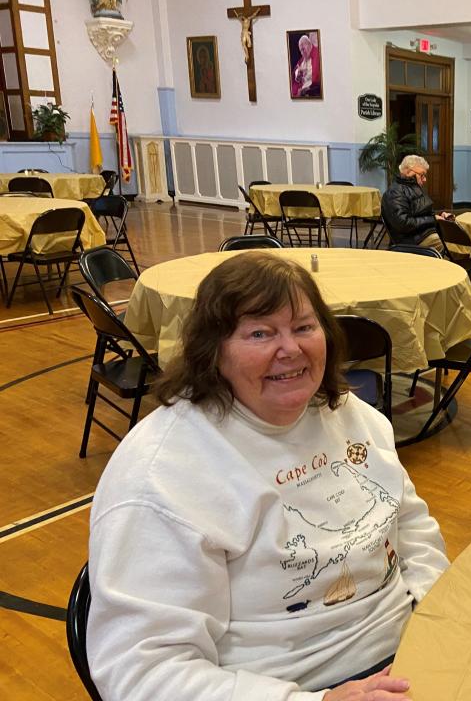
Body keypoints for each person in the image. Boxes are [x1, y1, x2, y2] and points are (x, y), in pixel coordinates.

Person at [87, 253, 449, 700]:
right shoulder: (159, 473)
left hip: (411, 648)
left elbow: (411, 527)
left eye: (303, 327)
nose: (291, 349)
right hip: (290, 685)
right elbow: (140, 671)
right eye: (260, 333)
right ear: (212, 351)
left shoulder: (350, 414)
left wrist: (437, 620)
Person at [381, 155, 448, 252]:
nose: (425, 179)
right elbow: (403, 224)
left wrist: (441, 216)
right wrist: (433, 219)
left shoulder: (414, 188)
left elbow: (424, 213)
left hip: (423, 234)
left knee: (457, 238)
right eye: (422, 175)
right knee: (449, 244)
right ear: (408, 172)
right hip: (410, 241)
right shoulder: (394, 193)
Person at [292, 33, 322, 98]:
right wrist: (298, 74)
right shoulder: (302, 59)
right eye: (301, 50)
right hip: (302, 89)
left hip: (312, 91)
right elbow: (296, 71)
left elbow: (317, 79)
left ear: (309, 44)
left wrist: (305, 90)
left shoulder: (317, 54)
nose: (302, 52)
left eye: (303, 48)